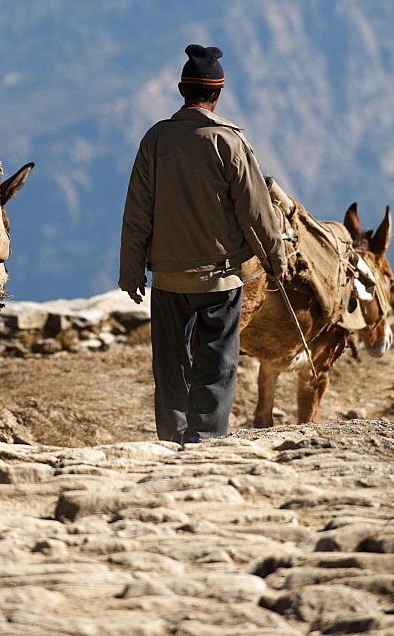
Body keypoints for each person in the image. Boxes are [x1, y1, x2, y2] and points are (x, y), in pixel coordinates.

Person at [119, 44, 287, 444]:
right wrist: (275, 259)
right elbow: (255, 211)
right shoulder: (229, 142)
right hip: (220, 279)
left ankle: (172, 437)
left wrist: (131, 271)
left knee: (171, 365)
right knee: (217, 365)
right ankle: (206, 441)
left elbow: (137, 211)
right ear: (217, 93)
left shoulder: (155, 139)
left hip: (168, 278)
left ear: (182, 89)